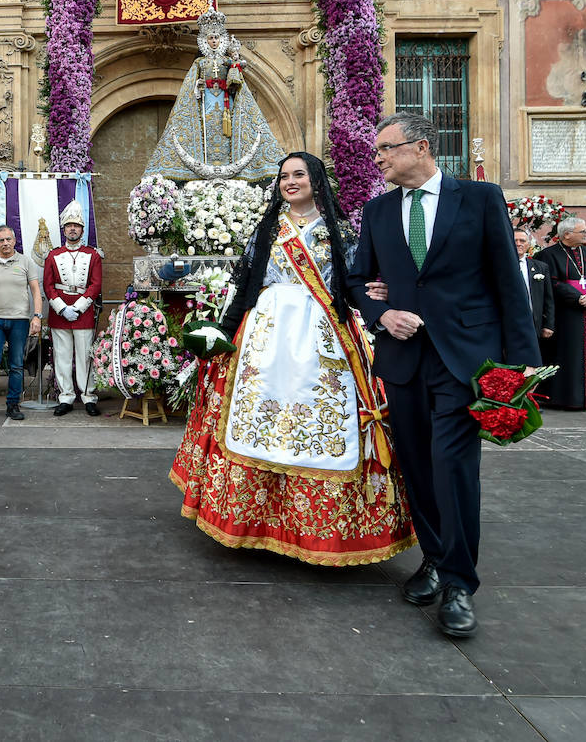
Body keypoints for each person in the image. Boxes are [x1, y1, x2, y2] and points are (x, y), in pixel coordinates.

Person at [171, 151, 415, 569]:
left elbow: (355, 280)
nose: (290, 181)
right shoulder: (267, 229)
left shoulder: (340, 229)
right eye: (284, 176)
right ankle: (256, 522)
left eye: (298, 174)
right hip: (263, 341)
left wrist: (379, 304)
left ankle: (317, 531)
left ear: (315, 179)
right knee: (259, 421)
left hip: (323, 338)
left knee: (318, 419)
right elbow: (245, 283)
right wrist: (224, 333)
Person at [348, 112, 540, 638]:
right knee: (416, 466)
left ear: (421, 147)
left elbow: (508, 282)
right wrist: (381, 313)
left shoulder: (479, 199)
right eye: (376, 151)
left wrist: (519, 366)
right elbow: (357, 280)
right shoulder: (378, 211)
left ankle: (459, 582)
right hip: (404, 362)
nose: (379, 158)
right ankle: (433, 558)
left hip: (465, 360)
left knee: (453, 467)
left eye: (386, 148)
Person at [143, 8, 286, 182]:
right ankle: (204, 163)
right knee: (208, 126)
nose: (214, 41)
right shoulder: (200, 62)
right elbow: (189, 86)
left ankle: (230, 162)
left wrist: (236, 64)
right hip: (207, 100)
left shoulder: (226, 61)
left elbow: (236, 78)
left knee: (227, 128)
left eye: (216, 38)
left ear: (221, 39)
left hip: (225, 101)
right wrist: (198, 86)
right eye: (210, 38)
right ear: (205, 40)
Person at [534, 217, 586, 411]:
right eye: (583, 231)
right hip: (565, 314)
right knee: (568, 355)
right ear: (567, 234)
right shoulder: (547, 255)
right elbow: (550, 283)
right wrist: (578, 297)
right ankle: (567, 398)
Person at [0, 225, 44, 422]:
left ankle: (13, 404)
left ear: (14, 240)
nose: (5, 243)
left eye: (8, 239)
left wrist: (37, 316)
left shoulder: (26, 262)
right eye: (1, 240)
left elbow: (36, 291)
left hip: (19, 320)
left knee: (16, 365)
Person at [43, 202, 103, 416]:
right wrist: (62, 308)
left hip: (83, 312)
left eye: (76, 225)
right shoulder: (53, 255)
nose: (72, 229)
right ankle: (66, 397)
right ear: (64, 229)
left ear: (82, 230)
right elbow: (48, 286)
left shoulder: (93, 255)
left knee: (85, 356)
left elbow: (95, 285)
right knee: (62, 356)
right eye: (69, 226)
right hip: (60, 314)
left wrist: (77, 308)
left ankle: (89, 397)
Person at [513, 227, 555, 343]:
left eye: (522, 241)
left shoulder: (540, 267)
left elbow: (548, 298)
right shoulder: (499, 266)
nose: (518, 244)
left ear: (528, 244)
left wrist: (549, 324)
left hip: (534, 323)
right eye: (515, 240)